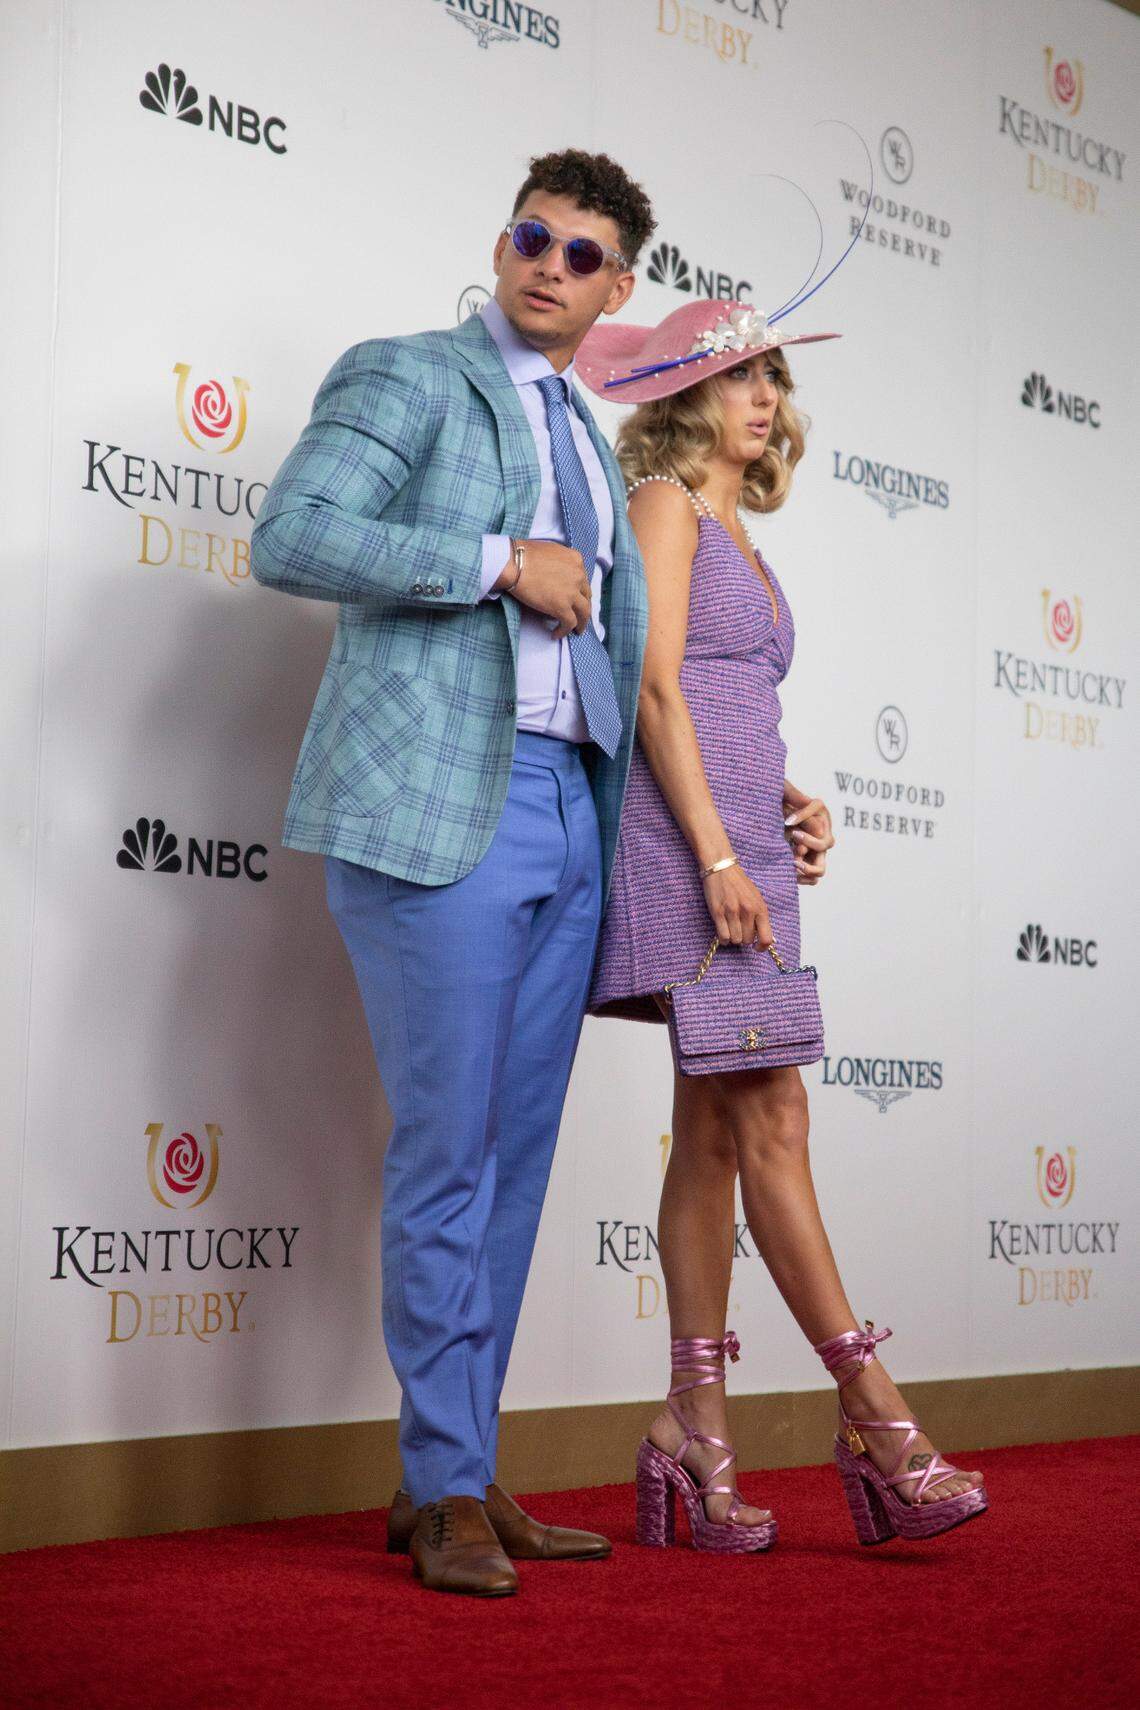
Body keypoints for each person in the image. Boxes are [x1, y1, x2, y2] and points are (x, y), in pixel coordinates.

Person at [251, 149, 654, 1596]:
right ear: (502, 243)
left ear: (618, 287)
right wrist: (495, 557)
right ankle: (440, 1488)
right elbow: (291, 536)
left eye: (585, 252)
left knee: (516, 1164)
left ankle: (465, 1473)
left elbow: (609, 649)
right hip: (439, 814)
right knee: (447, 1152)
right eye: (534, 236)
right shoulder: (411, 373)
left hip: (566, 814)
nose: (552, 263)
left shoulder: (596, 439)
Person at [576, 299, 989, 1550]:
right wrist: (711, 848)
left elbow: (723, 693)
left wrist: (786, 807)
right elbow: (651, 688)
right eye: (743, 377)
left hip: (750, 849)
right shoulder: (663, 505)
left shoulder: (740, 533)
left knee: (712, 1138)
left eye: (772, 378)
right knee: (776, 1116)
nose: (767, 398)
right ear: (692, 397)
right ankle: (875, 1416)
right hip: (686, 854)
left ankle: (689, 1435)